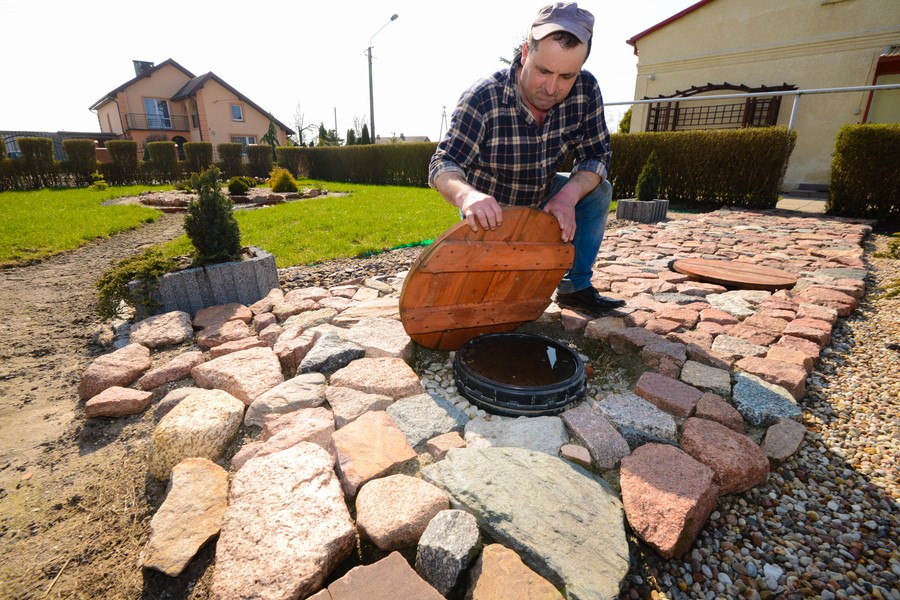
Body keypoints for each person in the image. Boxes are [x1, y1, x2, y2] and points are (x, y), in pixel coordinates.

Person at [428, 2, 625, 314]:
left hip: (544, 194)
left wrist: (568, 197)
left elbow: (596, 155)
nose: (551, 87)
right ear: (524, 54)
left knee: (599, 191)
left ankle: (576, 286)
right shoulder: (483, 97)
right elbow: (443, 163)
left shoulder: (586, 90)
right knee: (490, 299)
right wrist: (468, 195)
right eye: (543, 71)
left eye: (566, 76)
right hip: (490, 211)